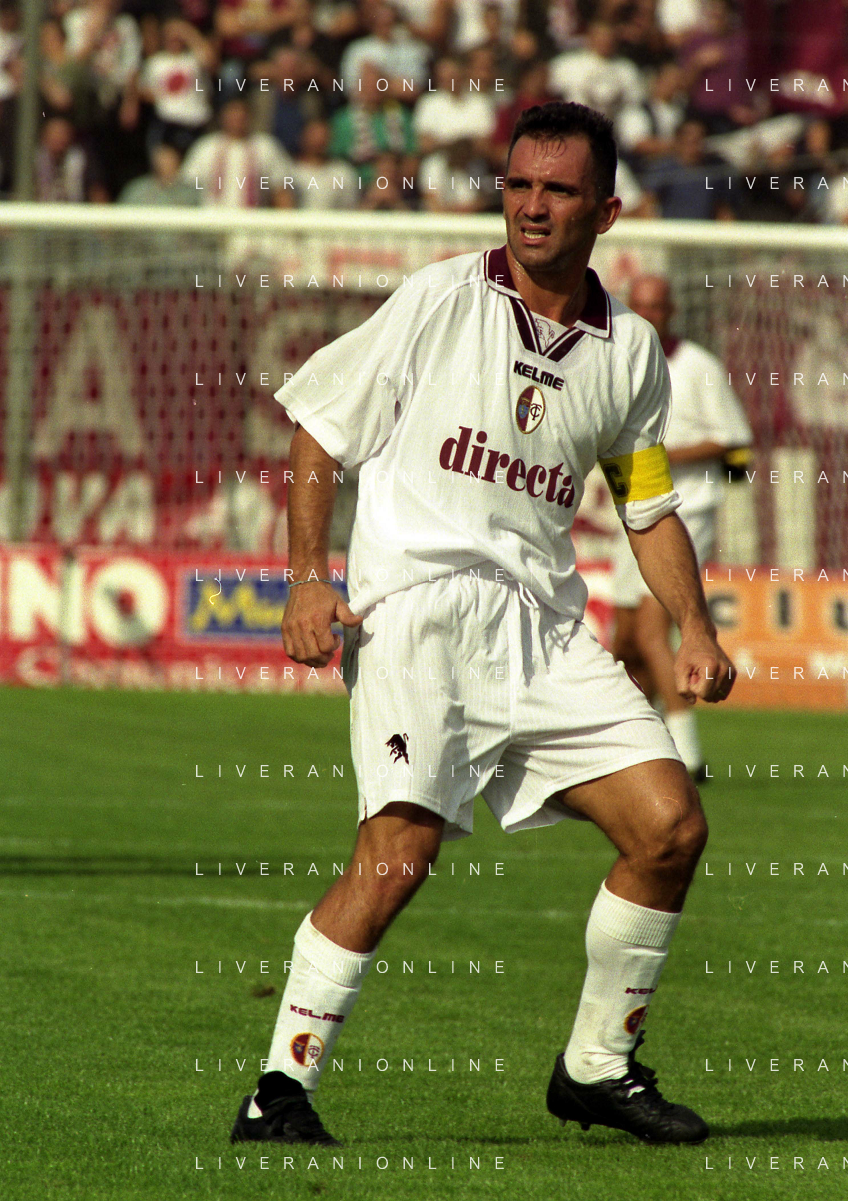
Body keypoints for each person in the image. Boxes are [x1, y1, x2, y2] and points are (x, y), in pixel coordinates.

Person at [230, 100, 734, 1150]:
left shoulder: (632, 352)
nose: (531, 206)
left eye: (557, 190)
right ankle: (277, 1089)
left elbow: (646, 505)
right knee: (398, 852)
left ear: (606, 211)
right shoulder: (440, 296)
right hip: (418, 610)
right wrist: (308, 578)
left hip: (542, 626)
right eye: (518, 185)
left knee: (669, 828)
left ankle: (596, 1068)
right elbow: (318, 426)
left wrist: (691, 626)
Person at [611, 274, 751, 779]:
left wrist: (666, 456)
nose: (647, 315)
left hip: (686, 512)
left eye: (656, 306)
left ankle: (687, 756)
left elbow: (735, 442)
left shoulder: (699, 366)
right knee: (624, 642)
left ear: (672, 310)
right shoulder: (619, 359)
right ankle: (634, 747)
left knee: (653, 632)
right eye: (638, 305)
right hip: (632, 511)